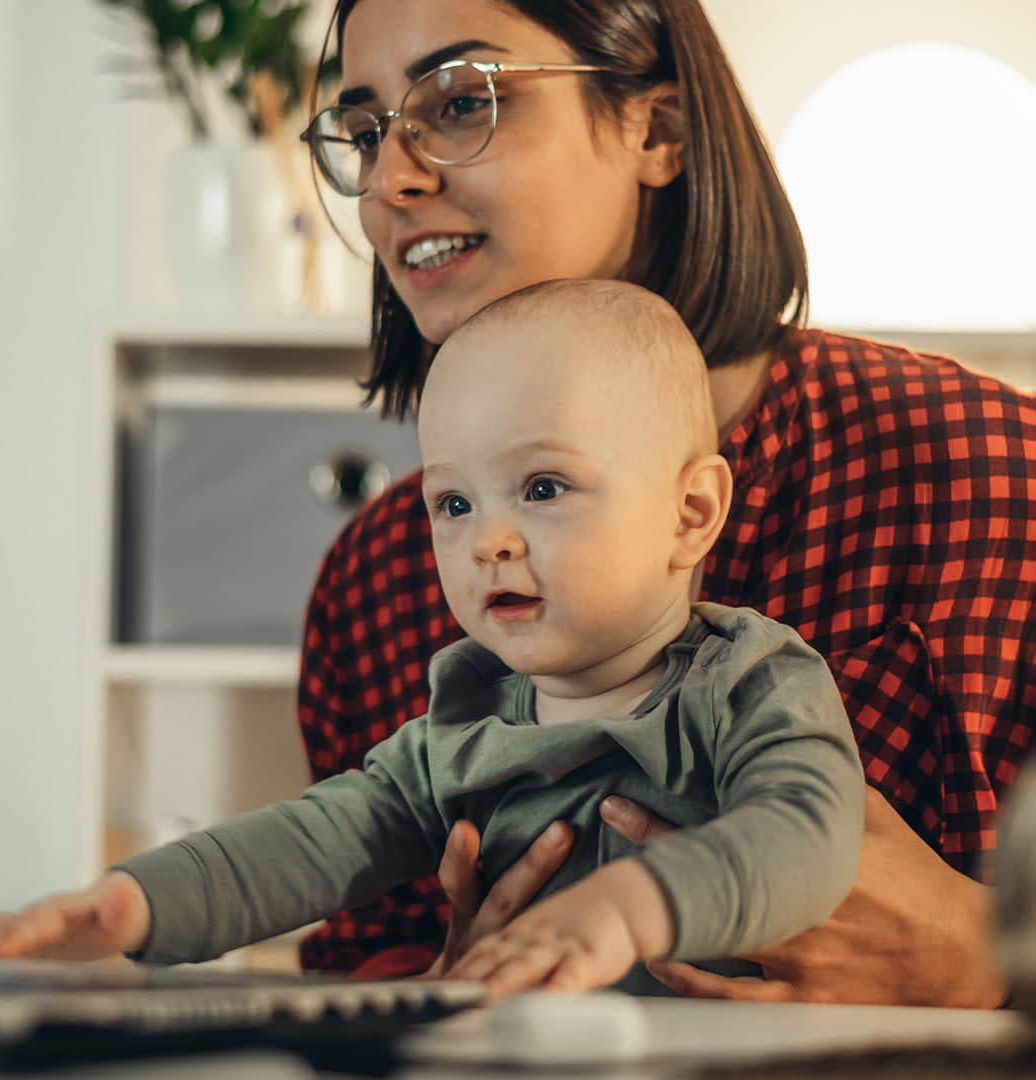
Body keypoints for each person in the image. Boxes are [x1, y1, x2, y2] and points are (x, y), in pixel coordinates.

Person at [291, 0, 1036, 1006]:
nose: (392, 182)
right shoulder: (377, 578)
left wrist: (984, 963)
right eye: (367, 132)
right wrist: (447, 984)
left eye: (463, 101)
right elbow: (361, 964)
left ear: (659, 131)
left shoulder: (990, 472)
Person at [0, 279, 866, 1000]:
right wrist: (130, 903)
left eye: (544, 487)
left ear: (692, 511)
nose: (489, 540)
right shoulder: (461, 724)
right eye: (454, 503)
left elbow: (809, 833)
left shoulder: (750, 680)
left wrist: (632, 908)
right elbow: (307, 843)